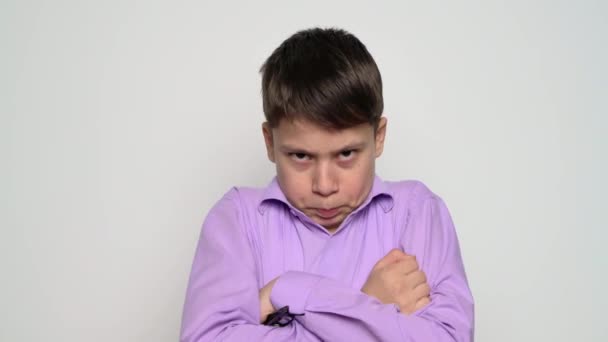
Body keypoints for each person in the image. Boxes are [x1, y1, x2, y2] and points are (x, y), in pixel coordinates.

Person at [180, 27, 474, 341]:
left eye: (346, 154)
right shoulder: (237, 219)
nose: (324, 185)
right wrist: (369, 306)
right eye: (301, 156)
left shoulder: (416, 212)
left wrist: (290, 290)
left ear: (378, 137)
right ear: (269, 142)